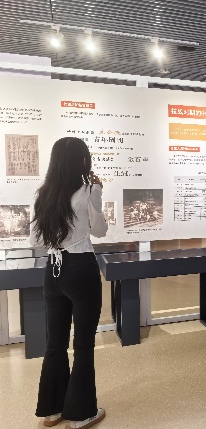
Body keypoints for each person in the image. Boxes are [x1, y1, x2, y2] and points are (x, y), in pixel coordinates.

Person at [31, 137, 108, 428]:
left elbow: (35, 240)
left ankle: (52, 411)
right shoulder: (89, 190)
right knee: (83, 344)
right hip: (80, 269)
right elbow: (99, 230)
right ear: (83, 160)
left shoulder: (43, 194)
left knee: (55, 343)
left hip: (53, 270)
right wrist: (96, 199)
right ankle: (81, 414)